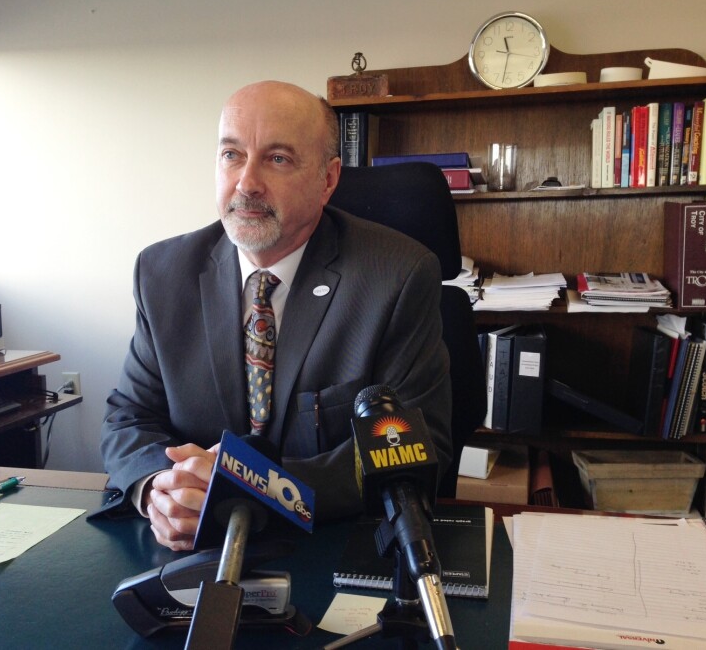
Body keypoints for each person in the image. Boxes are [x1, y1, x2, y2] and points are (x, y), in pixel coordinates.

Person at [99, 80, 452, 551]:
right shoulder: (163, 273)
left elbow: (412, 444)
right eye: (231, 155)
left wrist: (251, 489)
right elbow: (128, 417)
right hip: (189, 551)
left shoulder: (396, 277)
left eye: (277, 158)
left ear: (328, 180)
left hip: (330, 547)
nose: (246, 183)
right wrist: (159, 489)